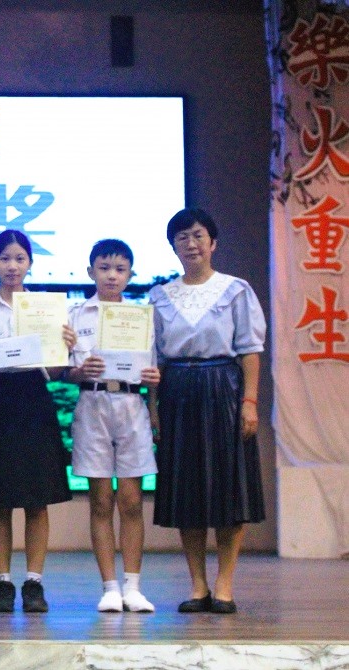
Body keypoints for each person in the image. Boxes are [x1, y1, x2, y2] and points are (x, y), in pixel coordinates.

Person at [148, 208, 266, 615]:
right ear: (173, 247)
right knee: (188, 489)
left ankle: (224, 585)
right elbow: (155, 358)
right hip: (177, 389)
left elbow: (250, 350)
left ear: (213, 242)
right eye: (182, 237)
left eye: (198, 235)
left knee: (230, 487)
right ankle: (197, 585)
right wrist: (153, 408)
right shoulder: (159, 296)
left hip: (224, 388)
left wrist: (249, 402)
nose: (191, 244)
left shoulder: (235, 290)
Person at [0, 229, 75, 614]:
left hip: (34, 399)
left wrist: (65, 348)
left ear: (30, 264)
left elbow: (56, 371)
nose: (12, 266)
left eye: (19, 259)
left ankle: (34, 582)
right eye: (4, 259)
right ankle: (3, 583)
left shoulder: (47, 310)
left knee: (37, 499)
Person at [66, 239, 160, 613]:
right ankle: (108, 587)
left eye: (120, 269)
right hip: (92, 405)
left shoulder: (141, 317)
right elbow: (63, 370)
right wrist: (78, 371)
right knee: (101, 500)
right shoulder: (75, 315)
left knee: (132, 500)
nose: (112, 275)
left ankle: (133, 587)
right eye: (104, 268)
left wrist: (154, 386)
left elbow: (154, 369)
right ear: (90, 271)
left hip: (132, 405)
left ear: (130, 274)